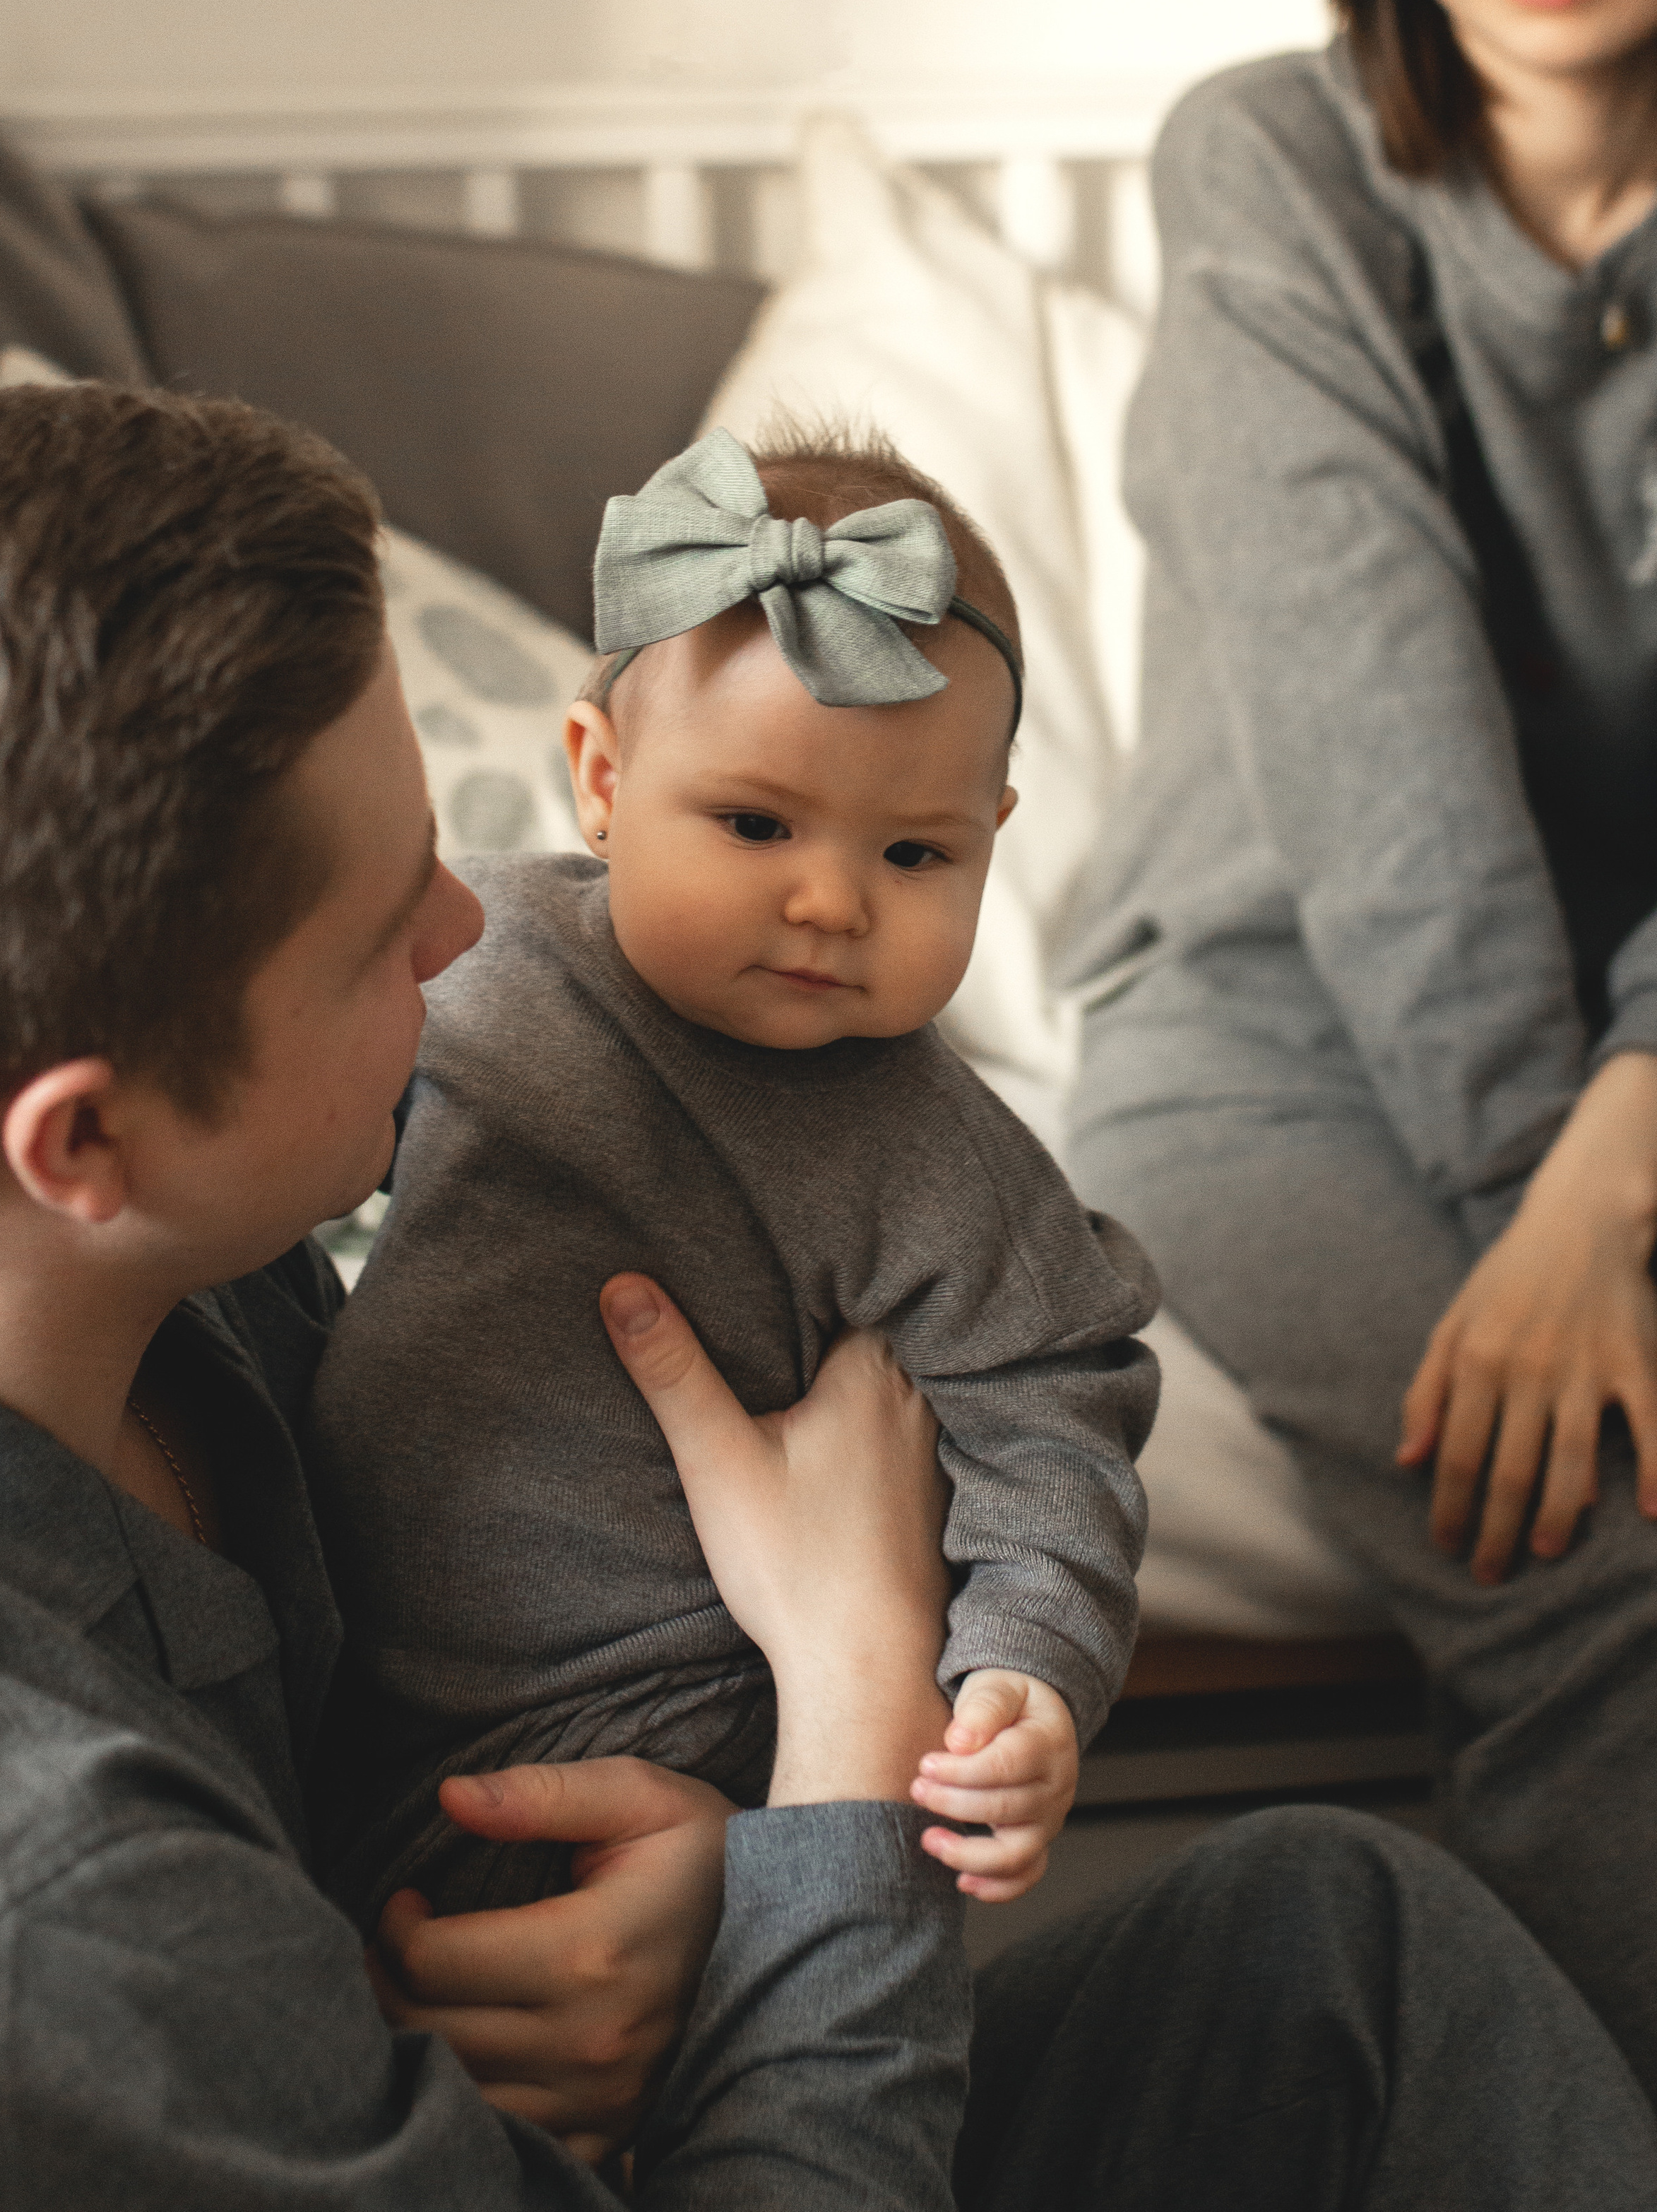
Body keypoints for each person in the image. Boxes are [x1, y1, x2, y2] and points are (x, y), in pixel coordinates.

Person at [0, 377, 1657, 2208]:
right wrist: (852, 1711)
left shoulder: (184, 1298)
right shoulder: (41, 1910)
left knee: (1340, 1943)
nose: (476, 930)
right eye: (387, 932)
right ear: (84, 1143)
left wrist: (715, 1888)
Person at [1063, 0, 1657, 2200]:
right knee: (1609, 1587)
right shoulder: (1274, 173)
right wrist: (1535, 1208)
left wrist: (1632, 1152)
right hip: (1281, 1034)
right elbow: (1376, 764)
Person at [309, 426, 1152, 1929]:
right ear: (599, 777)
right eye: (754, 824)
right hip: (350, 1692)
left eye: (913, 855)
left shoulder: (929, 1151)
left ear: (991, 843)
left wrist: (1030, 1666)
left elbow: (1055, 1407)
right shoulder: (469, 958)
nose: (829, 900)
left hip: (689, 1737)